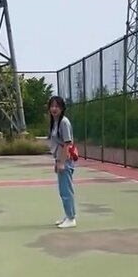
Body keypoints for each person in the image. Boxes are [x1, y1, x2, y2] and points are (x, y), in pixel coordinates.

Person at [47, 96, 77, 228]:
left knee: (66, 190)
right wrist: (57, 161)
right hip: (60, 158)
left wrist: (62, 163)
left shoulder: (64, 122)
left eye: (57, 106)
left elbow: (67, 144)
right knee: (63, 190)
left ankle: (71, 218)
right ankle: (68, 215)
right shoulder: (55, 122)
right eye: (52, 106)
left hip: (66, 160)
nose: (54, 109)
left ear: (62, 108)